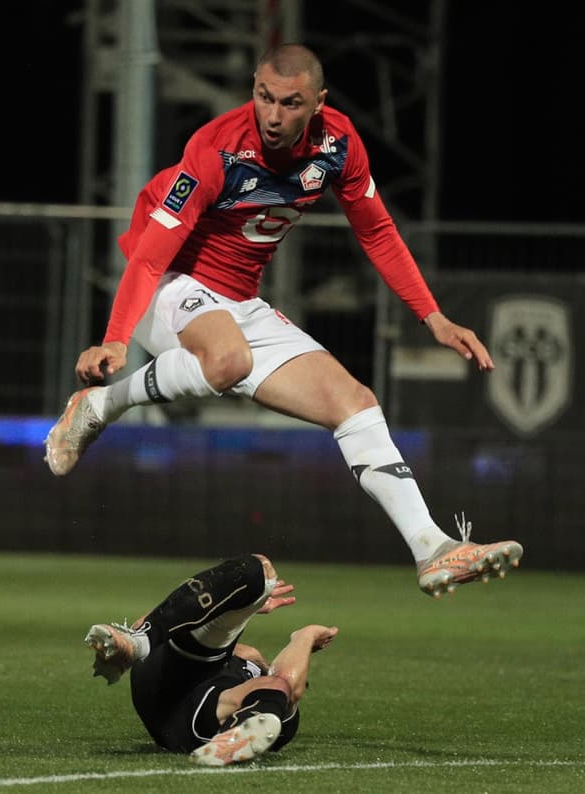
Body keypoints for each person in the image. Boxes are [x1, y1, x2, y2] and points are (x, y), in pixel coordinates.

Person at [44, 43, 521, 599]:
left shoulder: (339, 145)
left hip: (239, 302)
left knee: (356, 404)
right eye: (264, 97)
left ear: (317, 102)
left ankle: (431, 547)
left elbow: (377, 231)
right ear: (253, 87)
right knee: (227, 360)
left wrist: (433, 316)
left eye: (290, 103)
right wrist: (117, 338)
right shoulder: (215, 149)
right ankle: (103, 403)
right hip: (169, 282)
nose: (273, 115)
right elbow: (149, 256)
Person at [84, 553, 338, 766]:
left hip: (186, 710)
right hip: (180, 698)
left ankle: (139, 640)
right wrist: (239, 607)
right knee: (253, 577)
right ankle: (138, 641)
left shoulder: (275, 701)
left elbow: (287, 682)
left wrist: (305, 636)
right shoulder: (258, 677)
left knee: (256, 571)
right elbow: (284, 680)